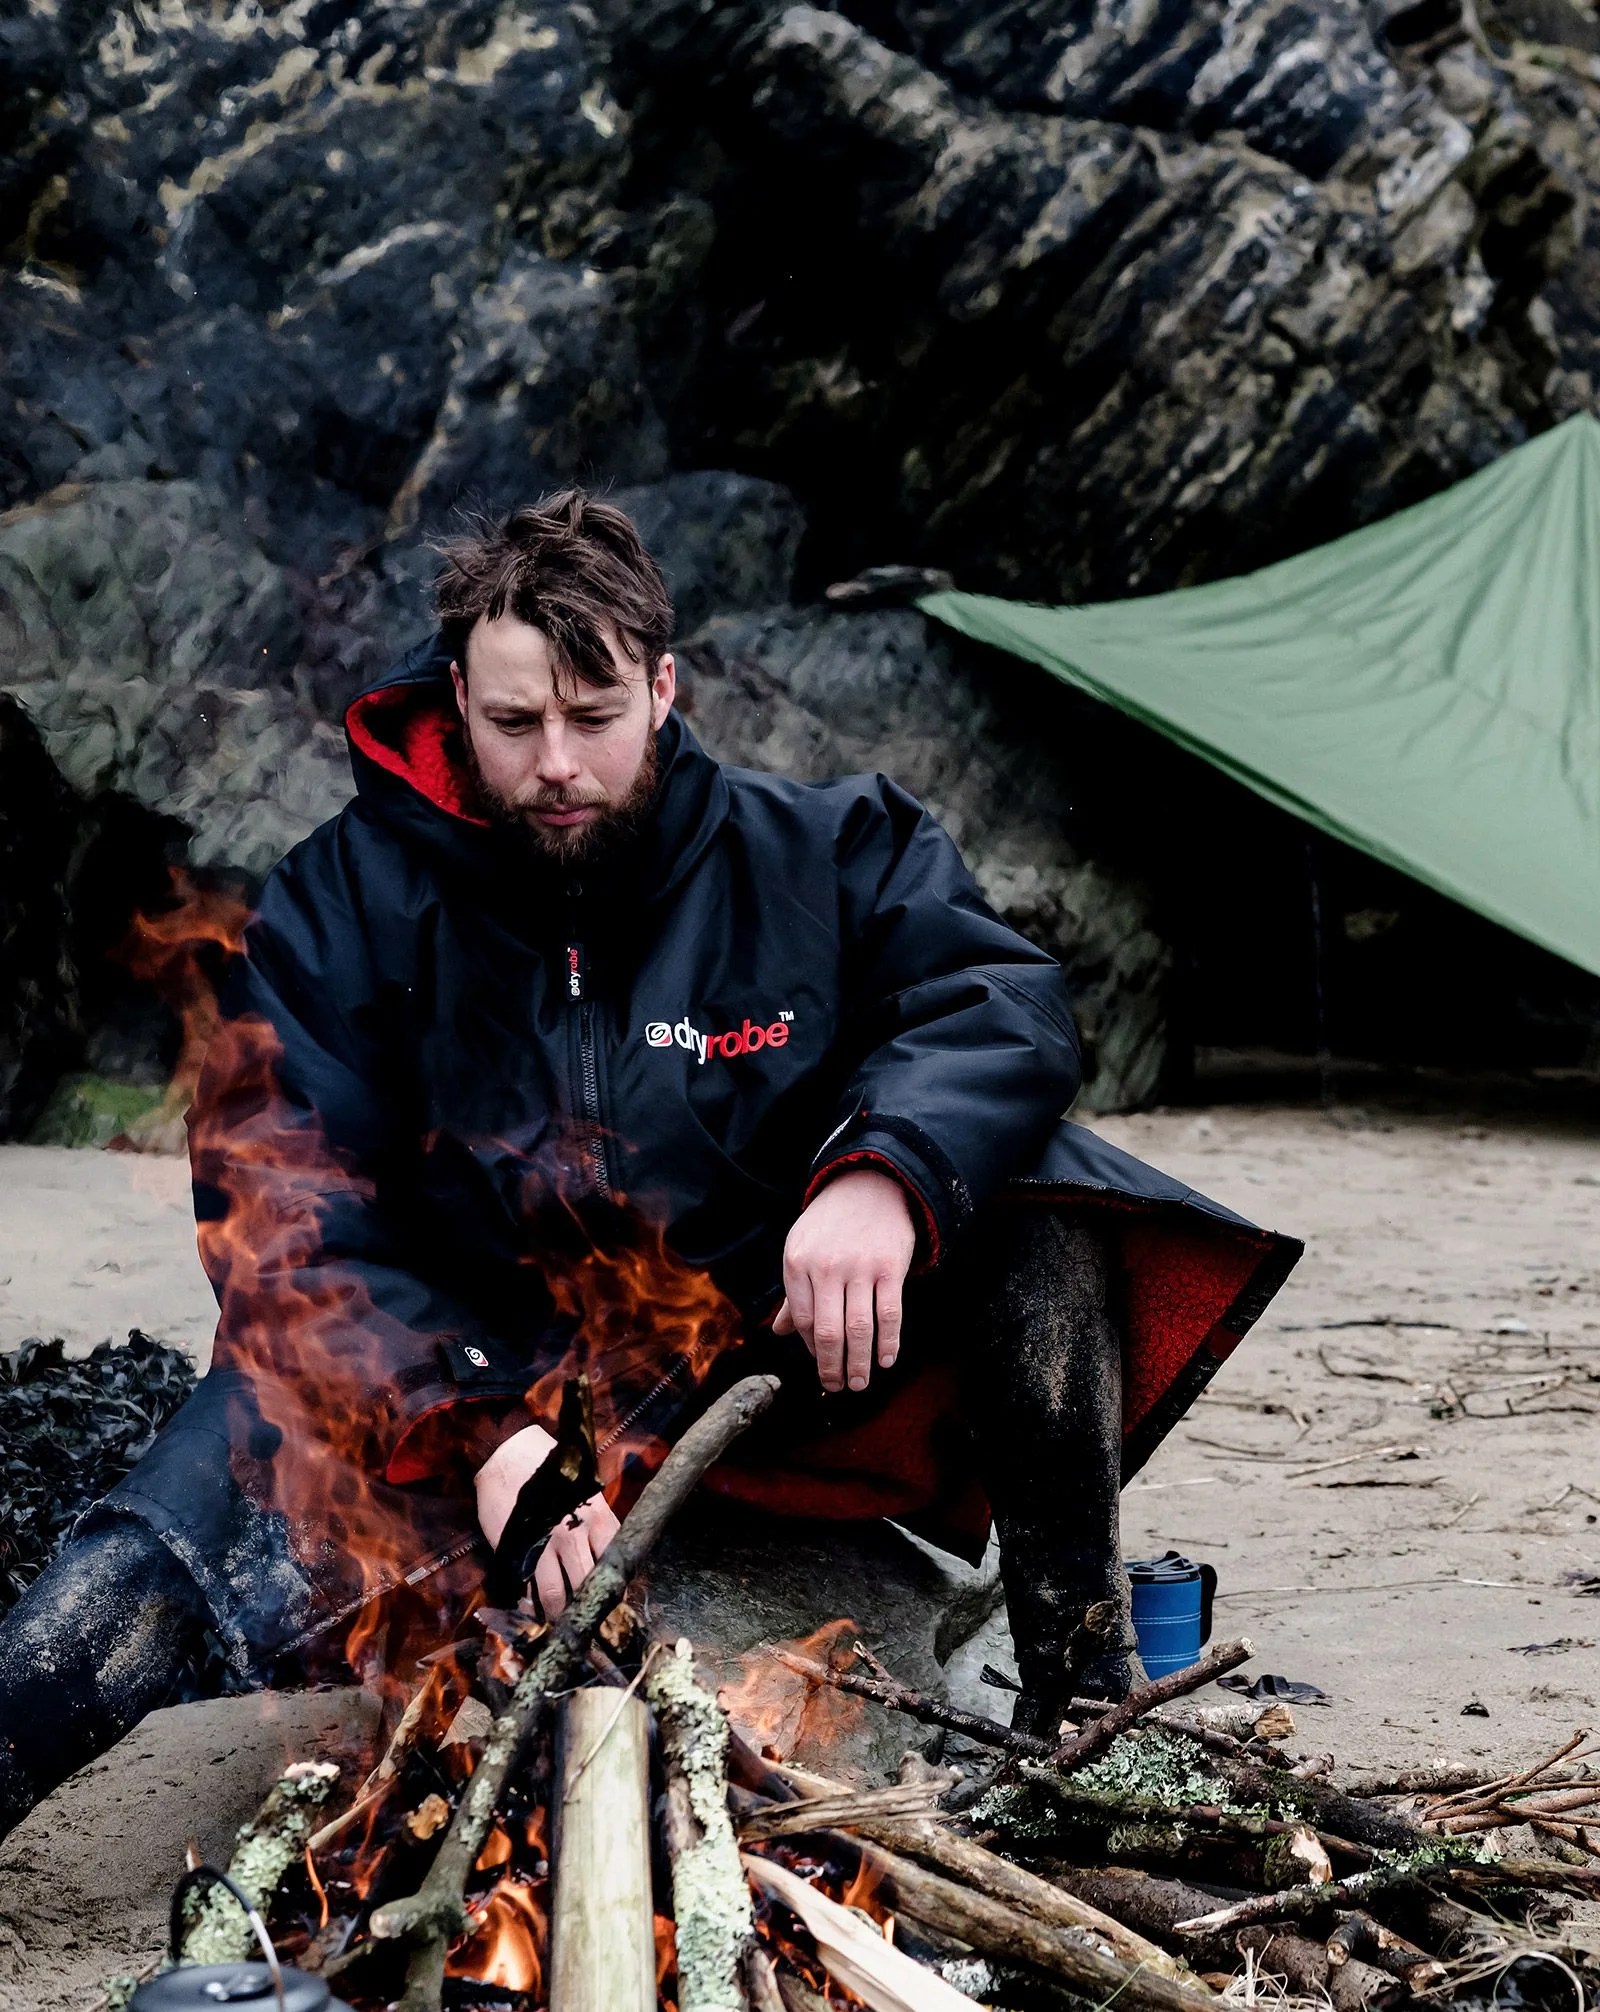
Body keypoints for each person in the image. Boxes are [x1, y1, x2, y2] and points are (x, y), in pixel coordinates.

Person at [0, 493, 1300, 1836]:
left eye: (595, 716)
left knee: (1047, 1202)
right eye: (514, 725)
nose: (557, 763)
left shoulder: (829, 849)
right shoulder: (339, 904)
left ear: (665, 688)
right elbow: (281, 1218)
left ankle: (1083, 1715)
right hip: (457, 1402)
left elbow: (999, 1001)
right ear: (456, 698)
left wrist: (882, 1175)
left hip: (764, 1373)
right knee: (142, 1564)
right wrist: (479, 1426)